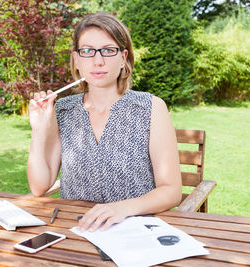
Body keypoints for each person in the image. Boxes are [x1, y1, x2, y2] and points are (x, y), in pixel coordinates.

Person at [27, 12, 182, 232]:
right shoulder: (62, 109)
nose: (98, 61)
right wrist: (39, 129)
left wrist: (121, 209)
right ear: (76, 60)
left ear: (123, 58)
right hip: (78, 231)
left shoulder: (151, 107)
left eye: (108, 50)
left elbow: (171, 190)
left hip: (136, 231)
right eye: (88, 51)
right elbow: (38, 186)